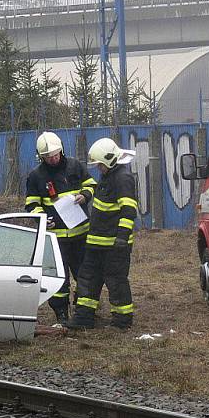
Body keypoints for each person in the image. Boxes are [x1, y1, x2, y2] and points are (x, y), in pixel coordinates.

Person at [25, 132, 97, 325]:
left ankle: (84, 311)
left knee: (84, 274)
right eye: (48, 156)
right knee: (59, 279)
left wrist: (85, 195)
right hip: (55, 238)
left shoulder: (75, 166)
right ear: (41, 157)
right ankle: (61, 314)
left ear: (61, 150)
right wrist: (42, 218)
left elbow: (91, 184)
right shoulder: (36, 176)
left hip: (81, 233)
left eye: (55, 154)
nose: (53, 158)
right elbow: (31, 204)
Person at [67, 137, 138, 330]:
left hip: (114, 245)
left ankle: (122, 320)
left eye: (99, 164)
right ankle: (83, 317)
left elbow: (129, 210)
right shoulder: (108, 176)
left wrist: (122, 237)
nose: (98, 168)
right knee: (87, 278)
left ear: (109, 160)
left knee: (115, 281)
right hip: (96, 243)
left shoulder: (123, 178)